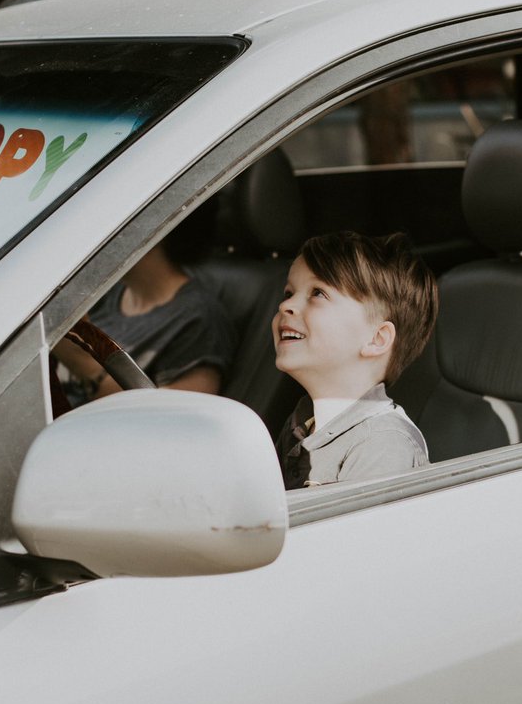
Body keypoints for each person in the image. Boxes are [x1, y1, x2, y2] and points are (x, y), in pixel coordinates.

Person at [273, 230, 438, 489]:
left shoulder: (383, 443)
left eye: (317, 293)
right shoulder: (303, 421)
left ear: (376, 339)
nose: (286, 306)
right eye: (288, 293)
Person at [57, 199, 236, 404]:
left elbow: (174, 419)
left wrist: (82, 363)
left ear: (150, 228)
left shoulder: (199, 320)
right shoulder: (105, 295)